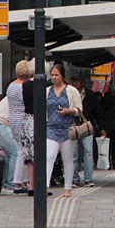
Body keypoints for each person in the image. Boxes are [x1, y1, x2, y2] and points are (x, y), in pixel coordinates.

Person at [45, 62, 81, 198]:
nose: (54, 78)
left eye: (57, 75)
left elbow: (79, 109)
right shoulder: (47, 91)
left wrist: (68, 111)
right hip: (51, 128)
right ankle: (45, 186)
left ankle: (67, 187)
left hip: (67, 129)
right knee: (49, 156)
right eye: (52, 75)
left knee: (68, 159)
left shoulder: (71, 91)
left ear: (62, 76)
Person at [7, 59, 33, 194]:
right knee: (23, 152)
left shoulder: (11, 86)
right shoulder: (22, 87)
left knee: (20, 150)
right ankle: (17, 182)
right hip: (23, 119)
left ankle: (22, 180)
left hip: (13, 119)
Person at [70, 73, 98, 188]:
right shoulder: (70, 93)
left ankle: (88, 179)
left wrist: (98, 126)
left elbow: (96, 110)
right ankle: (74, 179)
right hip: (74, 126)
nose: (75, 83)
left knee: (88, 152)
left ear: (82, 81)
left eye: (77, 80)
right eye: (74, 80)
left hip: (86, 126)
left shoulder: (90, 95)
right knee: (74, 154)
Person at [0, 95, 17, 193]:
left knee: (9, 154)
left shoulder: (12, 95)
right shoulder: (19, 96)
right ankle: (10, 185)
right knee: (14, 152)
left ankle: (6, 185)